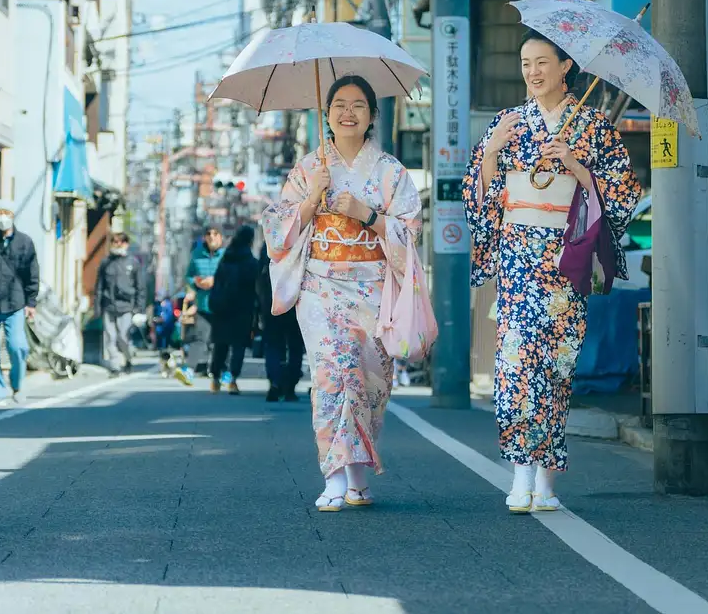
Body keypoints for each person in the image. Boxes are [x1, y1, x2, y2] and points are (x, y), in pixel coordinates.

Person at [462, 29, 642, 512]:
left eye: (542, 62)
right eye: (525, 63)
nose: (533, 72)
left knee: (557, 368)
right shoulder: (507, 122)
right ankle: (520, 475)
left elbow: (624, 195)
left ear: (566, 67)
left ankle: (545, 484)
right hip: (520, 257)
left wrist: (581, 169)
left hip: (567, 259)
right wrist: (493, 154)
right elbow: (478, 201)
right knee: (515, 365)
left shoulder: (593, 127)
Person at [262, 74, 422, 512]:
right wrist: (311, 200)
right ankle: (333, 477)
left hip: (373, 287)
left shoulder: (391, 171)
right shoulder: (308, 169)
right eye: (338, 105)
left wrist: (366, 214)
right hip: (322, 285)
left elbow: (410, 230)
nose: (347, 112)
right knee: (333, 374)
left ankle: (357, 477)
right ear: (327, 114)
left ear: (371, 116)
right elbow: (277, 230)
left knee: (370, 381)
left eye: (358, 105)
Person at [0, 199, 39, 406]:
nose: (2, 217)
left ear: (12, 215)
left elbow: (32, 273)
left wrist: (31, 302)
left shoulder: (25, 242)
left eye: (6, 213)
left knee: (18, 347)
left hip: (15, 304)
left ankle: (18, 385)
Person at [207, 224, 260, 395]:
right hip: (243, 309)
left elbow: (217, 284)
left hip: (222, 308)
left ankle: (215, 379)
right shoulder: (252, 262)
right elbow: (256, 288)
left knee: (220, 345)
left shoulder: (225, 259)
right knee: (239, 346)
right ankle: (232, 380)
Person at [257, 242, 305, 402]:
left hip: (272, 304)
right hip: (296, 303)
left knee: (273, 345)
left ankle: (275, 383)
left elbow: (259, 277)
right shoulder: (301, 240)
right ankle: (290, 386)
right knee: (295, 346)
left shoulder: (270, 243)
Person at [95, 232, 146, 376]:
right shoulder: (106, 262)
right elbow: (99, 286)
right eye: (115, 241)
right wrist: (97, 307)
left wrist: (139, 308)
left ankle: (128, 359)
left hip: (127, 306)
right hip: (109, 305)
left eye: (121, 242)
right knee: (110, 337)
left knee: (123, 336)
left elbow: (140, 287)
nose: (118, 244)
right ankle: (115, 366)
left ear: (126, 244)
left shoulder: (133, 263)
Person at [184, 226, 224, 377]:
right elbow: (188, 275)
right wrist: (196, 282)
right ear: (204, 238)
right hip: (203, 305)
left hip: (222, 306)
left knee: (221, 341)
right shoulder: (197, 254)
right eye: (209, 234)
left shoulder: (227, 255)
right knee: (199, 338)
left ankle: (223, 372)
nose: (212, 237)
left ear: (221, 237)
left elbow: (232, 277)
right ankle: (188, 369)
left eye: (215, 233)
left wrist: (215, 281)